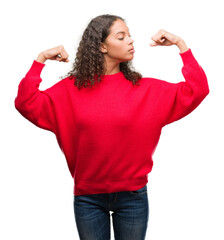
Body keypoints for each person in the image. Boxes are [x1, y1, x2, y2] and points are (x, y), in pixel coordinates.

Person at [15, 14, 209, 240]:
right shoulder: (69, 90)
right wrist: (40, 59)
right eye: (121, 36)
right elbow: (25, 103)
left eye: (130, 35)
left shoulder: (145, 89)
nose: (130, 41)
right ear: (102, 46)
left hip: (133, 197)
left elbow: (197, 90)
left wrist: (181, 45)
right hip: (88, 198)